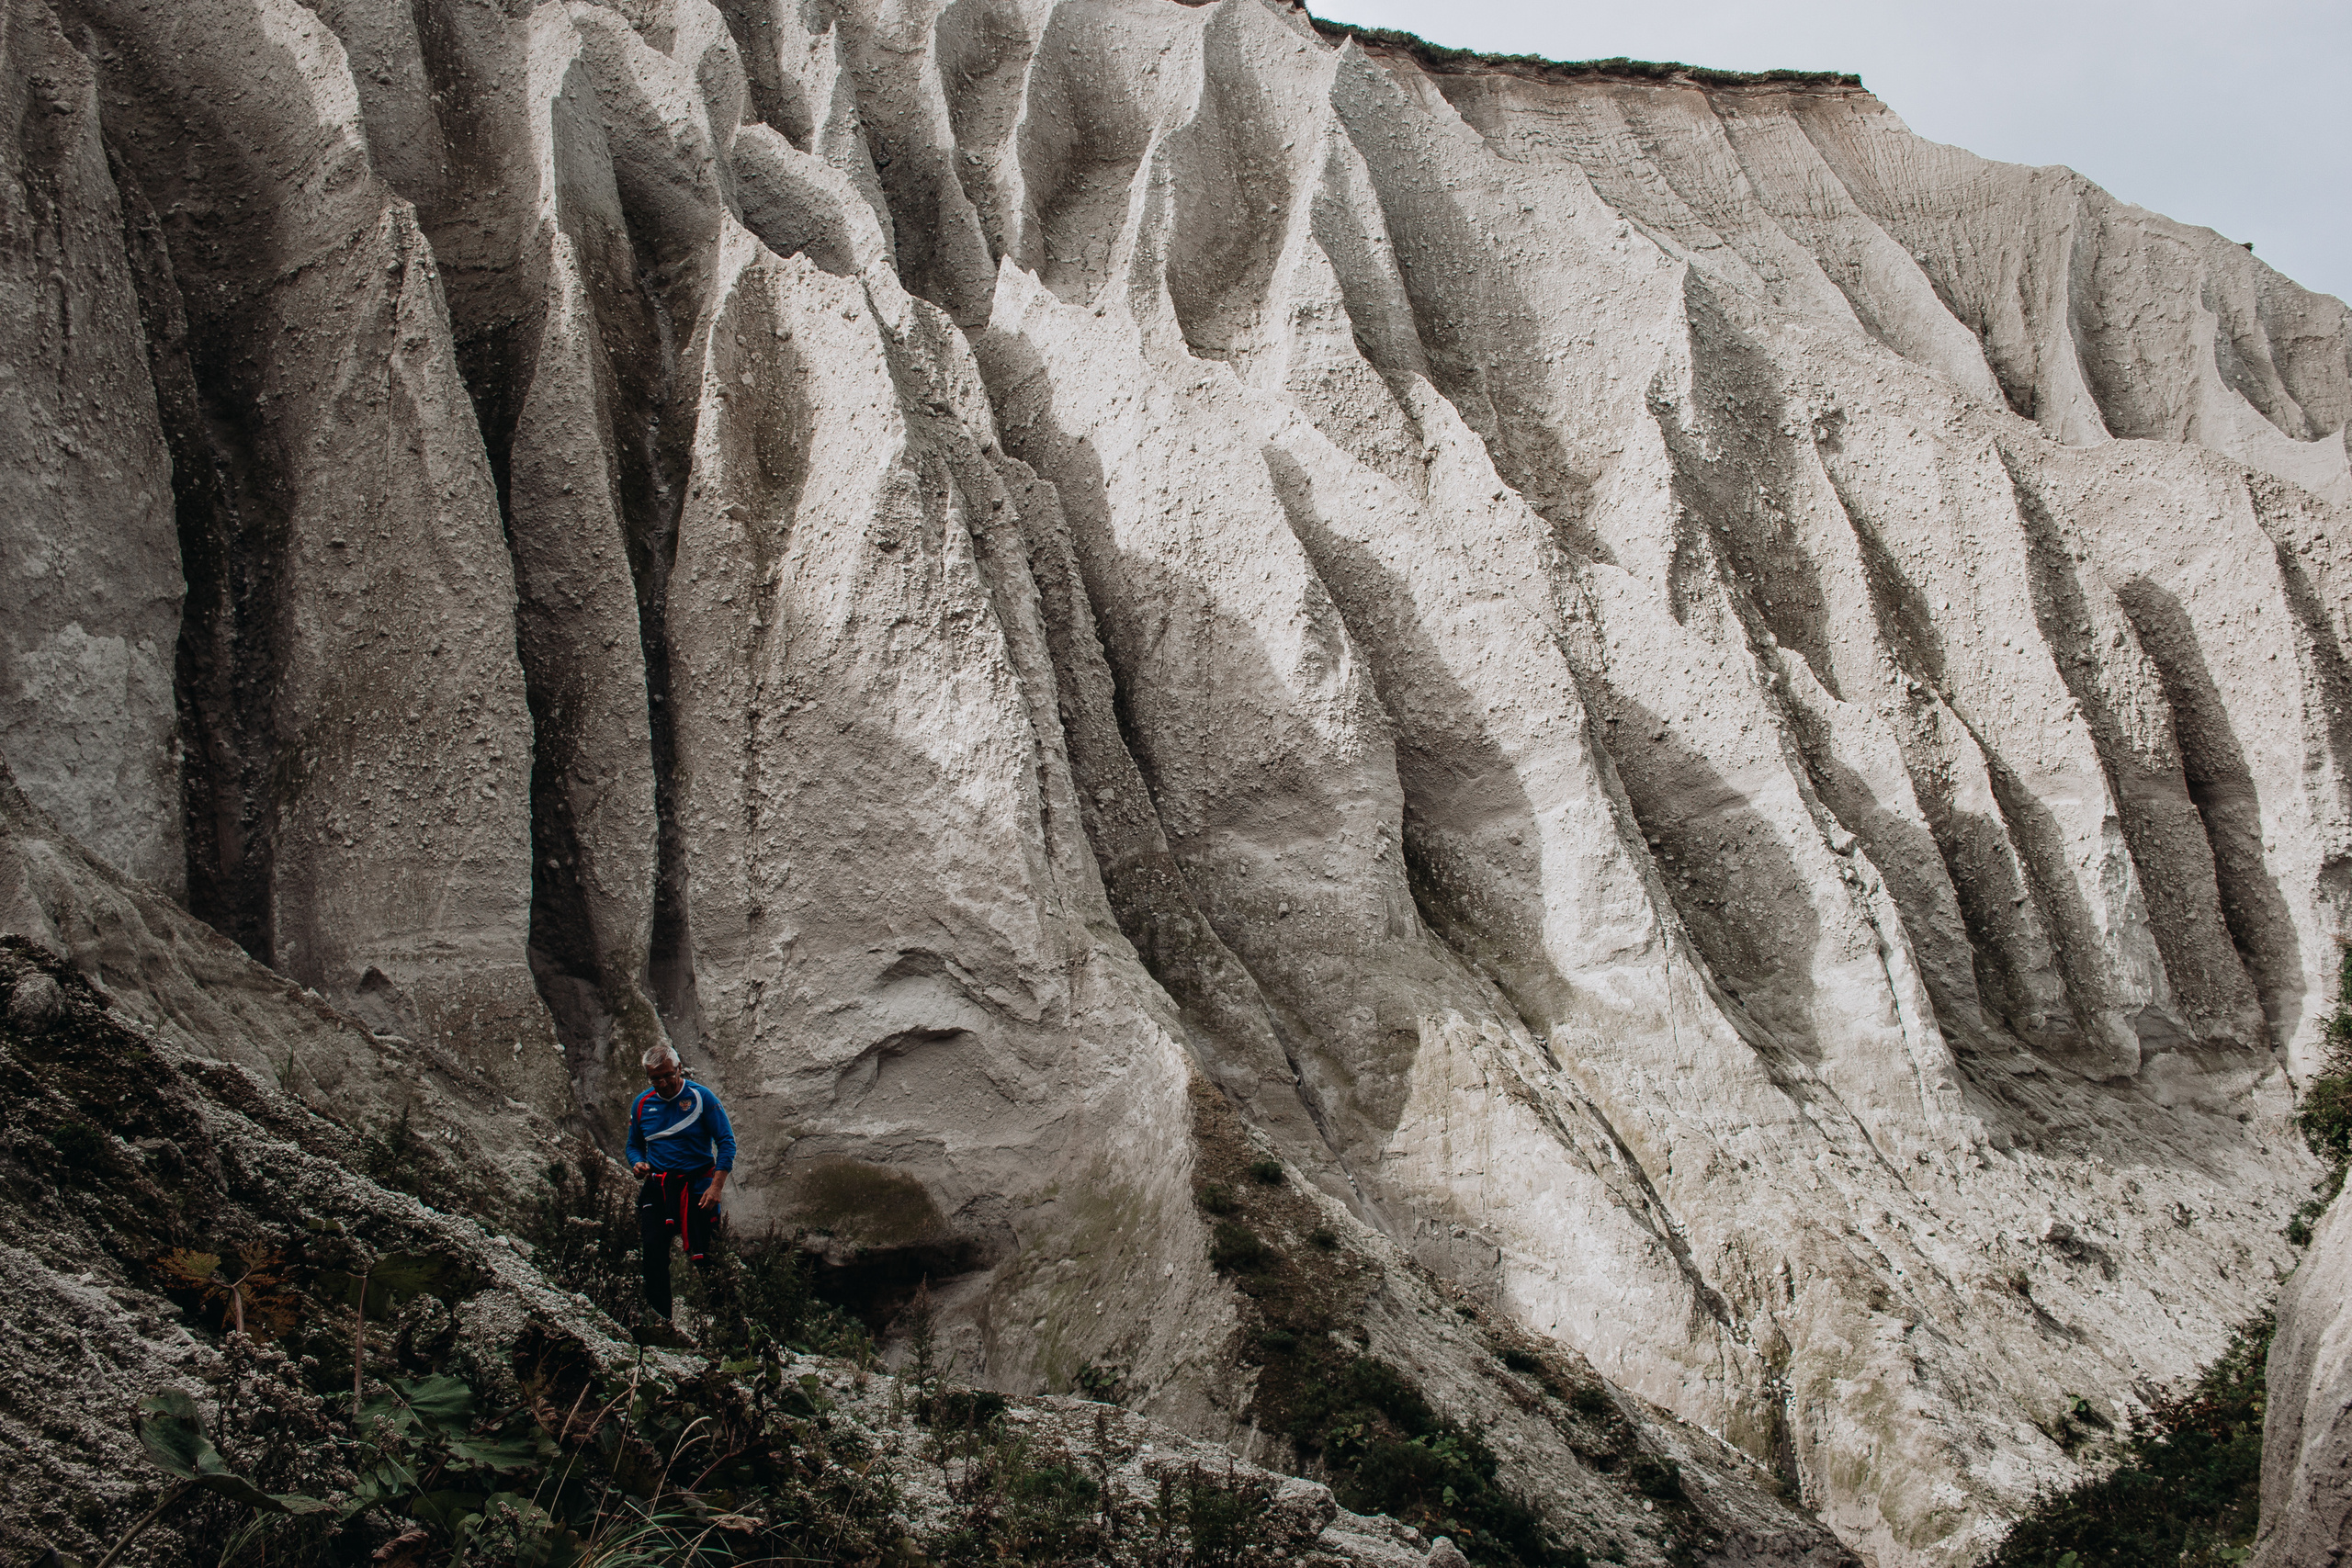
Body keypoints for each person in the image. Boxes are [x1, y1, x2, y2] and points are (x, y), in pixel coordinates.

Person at [625, 1043, 736, 1323]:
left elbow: (726, 1142)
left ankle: (732, 1330)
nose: (663, 1083)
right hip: (659, 1187)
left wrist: (716, 1186)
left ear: (679, 1069)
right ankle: (661, 1323)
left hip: (697, 1188)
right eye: (655, 1079)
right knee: (652, 1252)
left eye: (667, 1075)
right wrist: (637, 1162)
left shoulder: (701, 1097)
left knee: (709, 1259)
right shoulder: (642, 1104)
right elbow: (633, 1145)